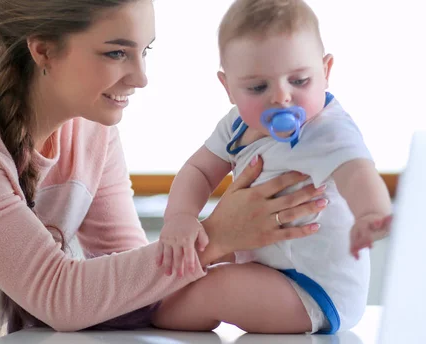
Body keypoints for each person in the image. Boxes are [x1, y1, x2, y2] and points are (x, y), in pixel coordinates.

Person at [0, 0, 328, 343]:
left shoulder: (91, 128)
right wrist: (215, 236)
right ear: (43, 49)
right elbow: (59, 296)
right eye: (116, 52)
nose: (142, 78)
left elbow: (131, 283)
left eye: (145, 51)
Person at [152, 0, 393, 335]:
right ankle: (153, 313)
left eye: (299, 80)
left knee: (216, 288)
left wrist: (372, 213)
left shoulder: (327, 128)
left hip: (314, 290)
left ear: (326, 71)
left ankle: (150, 320)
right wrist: (180, 216)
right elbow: (199, 170)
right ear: (228, 87)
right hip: (267, 269)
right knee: (192, 277)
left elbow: (357, 171)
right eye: (257, 87)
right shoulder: (235, 125)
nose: (282, 97)